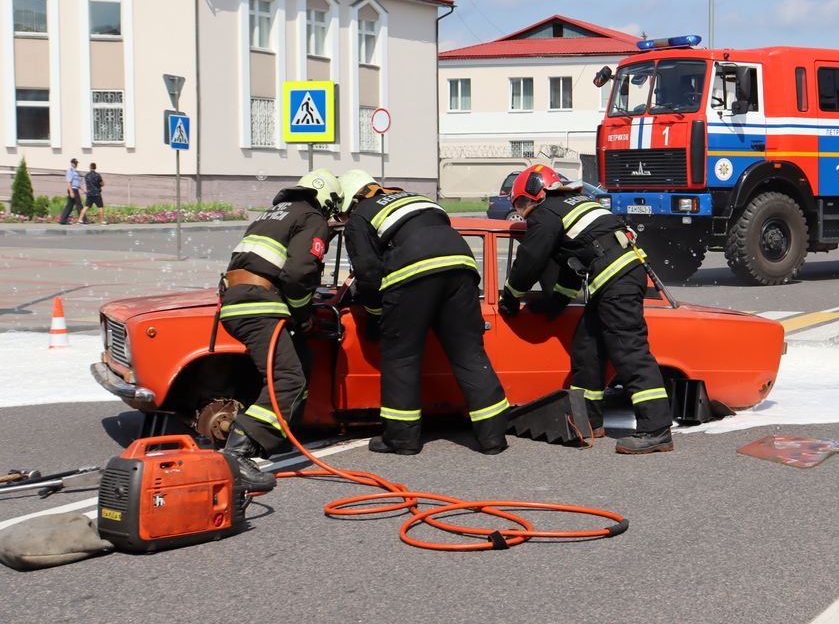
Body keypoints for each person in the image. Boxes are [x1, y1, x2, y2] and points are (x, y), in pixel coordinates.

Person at [500, 164, 674, 454]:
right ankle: (590, 422)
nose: (522, 211)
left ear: (534, 193)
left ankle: (656, 430)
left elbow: (531, 259)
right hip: (614, 280)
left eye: (520, 202)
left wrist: (511, 295)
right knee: (587, 348)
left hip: (616, 281)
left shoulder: (546, 213)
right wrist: (558, 300)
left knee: (629, 351)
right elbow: (573, 261)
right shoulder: (571, 204)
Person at [337, 169, 509, 456]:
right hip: (462, 266)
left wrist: (376, 312)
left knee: (401, 357)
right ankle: (493, 438)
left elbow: (367, 270)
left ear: (350, 200)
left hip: (413, 273)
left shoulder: (360, 215)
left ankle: (401, 439)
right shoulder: (415, 198)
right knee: (469, 352)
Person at [217, 169, 339, 492]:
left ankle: (278, 435)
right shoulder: (312, 217)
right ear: (328, 200)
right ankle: (238, 455)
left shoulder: (273, 214)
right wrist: (301, 315)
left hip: (237, 300)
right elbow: (299, 274)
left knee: (301, 357)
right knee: (289, 379)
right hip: (259, 304)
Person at [57, 158, 83, 225]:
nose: (76, 164)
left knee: (70, 205)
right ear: (71, 163)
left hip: (75, 188)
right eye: (74, 163)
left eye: (76, 163)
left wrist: (83, 189)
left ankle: (63, 220)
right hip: (73, 189)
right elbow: (68, 182)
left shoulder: (75, 171)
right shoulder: (70, 170)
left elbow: (77, 182)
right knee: (79, 204)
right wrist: (71, 192)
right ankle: (83, 219)